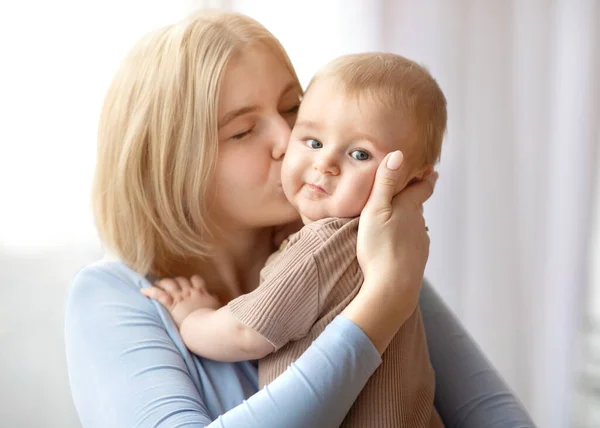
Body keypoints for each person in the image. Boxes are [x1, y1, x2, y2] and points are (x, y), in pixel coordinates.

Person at [65, 10, 437, 428]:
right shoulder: (108, 298)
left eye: (292, 107)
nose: (288, 140)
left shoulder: (362, 242)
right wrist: (384, 302)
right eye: (243, 131)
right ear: (170, 166)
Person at [141, 52, 446, 428]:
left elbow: (244, 332)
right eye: (314, 141)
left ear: (412, 181)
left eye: (360, 153)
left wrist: (192, 317)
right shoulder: (386, 251)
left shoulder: (321, 247)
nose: (325, 163)